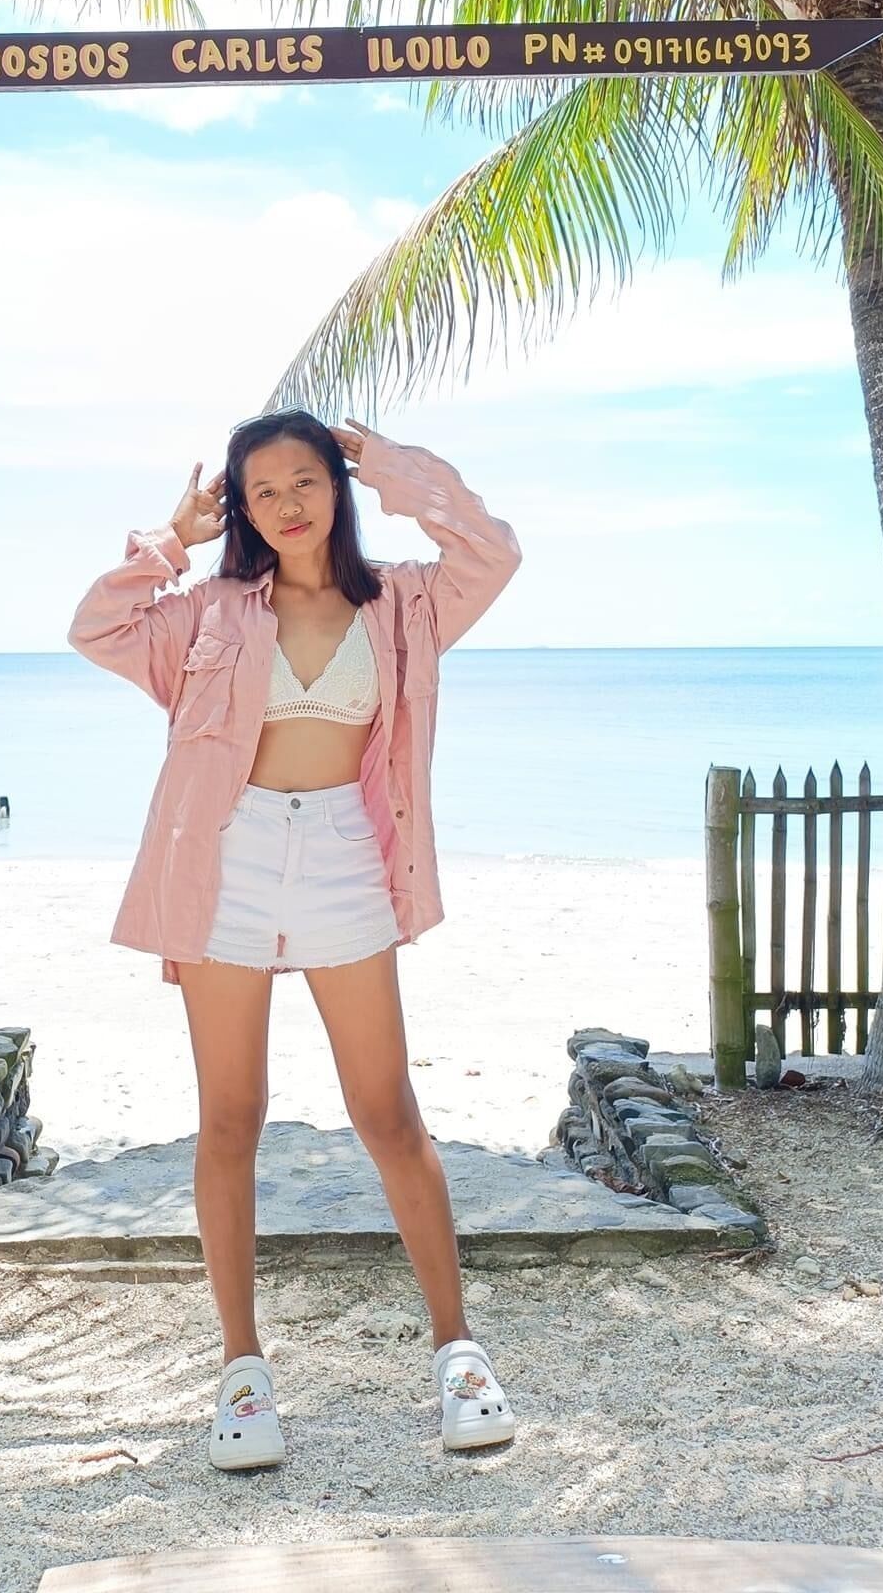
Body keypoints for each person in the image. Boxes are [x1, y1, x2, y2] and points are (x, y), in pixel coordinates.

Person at [68, 410, 521, 1472]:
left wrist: (398, 466)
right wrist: (168, 542)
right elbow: (97, 626)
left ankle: (459, 1352)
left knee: (389, 1111)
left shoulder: (403, 603)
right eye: (263, 490)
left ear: (337, 485)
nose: (289, 504)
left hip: (349, 862)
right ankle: (242, 1370)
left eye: (308, 480)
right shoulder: (213, 610)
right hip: (225, 863)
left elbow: (493, 551)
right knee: (230, 1116)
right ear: (244, 506)